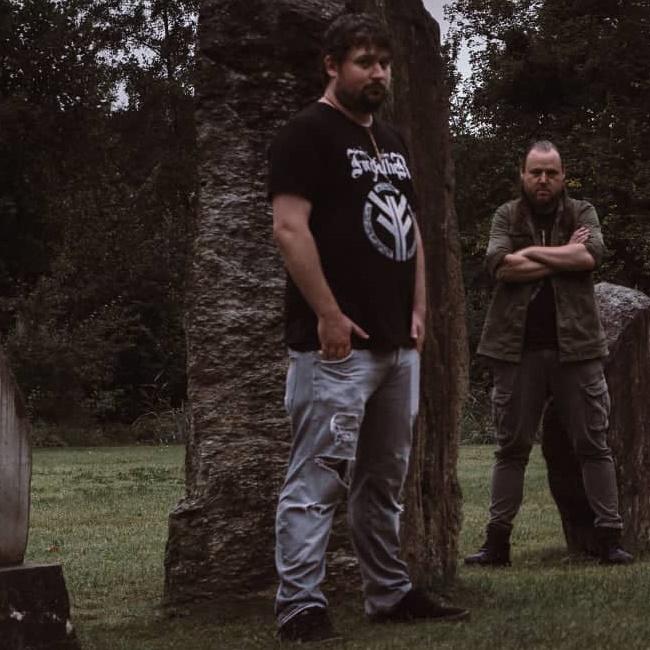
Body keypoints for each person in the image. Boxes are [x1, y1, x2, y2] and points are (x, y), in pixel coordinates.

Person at [268, 12, 469, 644]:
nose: (377, 73)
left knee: (383, 481)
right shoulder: (305, 134)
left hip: (396, 344)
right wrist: (328, 314)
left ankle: (389, 593)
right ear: (332, 65)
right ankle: (300, 606)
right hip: (336, 346)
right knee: (317, 479)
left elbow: (412, 232)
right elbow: (289, 229)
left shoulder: (393, 140)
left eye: (384, 63)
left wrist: (419, 309)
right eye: (364, 62)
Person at [465, 140, 633, 568]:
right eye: (536, 172)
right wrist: (563, 255)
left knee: (593, 445)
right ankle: (496, 544)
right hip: (516, 349)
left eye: (551, 173)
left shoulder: (582, 212)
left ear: (563, 176)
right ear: (523, 175)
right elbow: (500, 266)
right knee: (511, 449)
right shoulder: (506, 215)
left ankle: (610, 540)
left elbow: (589, 256)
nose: (543, 180)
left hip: (577, 349)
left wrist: (529, 255)